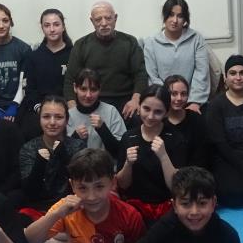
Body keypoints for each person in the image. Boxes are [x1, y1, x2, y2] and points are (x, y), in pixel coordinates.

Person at [203, 55, 243, 208]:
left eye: (242, 73)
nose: (238, 78)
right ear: (225, 77)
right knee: (232, 194)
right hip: (228, 159)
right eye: (233, 73)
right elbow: (220, 143)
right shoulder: (215, 106)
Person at [63, 1, 147, 121]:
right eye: (98, 19)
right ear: (92, 21)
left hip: (125, 101)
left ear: (115, 18)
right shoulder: (81, 45)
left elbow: (140, 75)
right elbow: (70, 79)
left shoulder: (130, 42)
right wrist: (73, 109)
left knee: (137, 118)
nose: (104, 23)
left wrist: (135, 100)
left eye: (108, 18)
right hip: (91, 100)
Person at [117, 85, 187, 223]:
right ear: (139, 107)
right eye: (146, 109)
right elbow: (123, 185)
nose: (150, 116)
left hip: (166, 206)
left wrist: (163, 156)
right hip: (134, 207)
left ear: (166, 113)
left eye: (158, 112)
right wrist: (128, 164)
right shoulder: (129, 137)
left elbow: (176, 187)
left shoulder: (176, 138)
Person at [18, 95, 86, 217]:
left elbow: (82, 184)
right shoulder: (29, 148)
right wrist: (40, 164)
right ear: (39, 119)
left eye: (59, 117)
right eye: (46, 117)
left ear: (67, 120)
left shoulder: (78, 146)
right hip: (38, 209)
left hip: (71, 208)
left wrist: (64, 157)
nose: (52, 122)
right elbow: (29, 191)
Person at [143, 0, 210, 113]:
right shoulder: (151, 43)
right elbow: (152, 77)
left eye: (180, 16)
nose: (175, 20)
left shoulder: (196, 39)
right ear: (164, 16)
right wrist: (166, 100)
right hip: (162, 103)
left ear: (185, 19)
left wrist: (195, 102)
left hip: (191, 102)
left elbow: (201, 73)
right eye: (171, 15)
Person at [21, 8, 74, 139]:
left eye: (56, 24)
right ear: (42, 28)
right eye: (47, 25)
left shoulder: (74, 54)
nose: (52, 29)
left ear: (63, 27)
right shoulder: (34, 56)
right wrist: (41, 109)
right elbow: (30, 90)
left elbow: (77, 86)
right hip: (40, 109)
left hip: (68, 110)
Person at [67, 68, 127, 155]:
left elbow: (121, 151)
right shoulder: (68, 115)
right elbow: (64, 156)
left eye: (93, 89)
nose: (88, 95)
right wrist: (75, 138)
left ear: (100, 89)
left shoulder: (111, 111)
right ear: (75, 88)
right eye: (83, 89)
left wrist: (103, 129)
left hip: (106, 163)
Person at [164, 75, 208, 168]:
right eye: (174, 94)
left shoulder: (196, 119)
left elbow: (202, 155)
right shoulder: (159, 120)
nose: (179, 98)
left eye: (183, 94)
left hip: (191, 173)